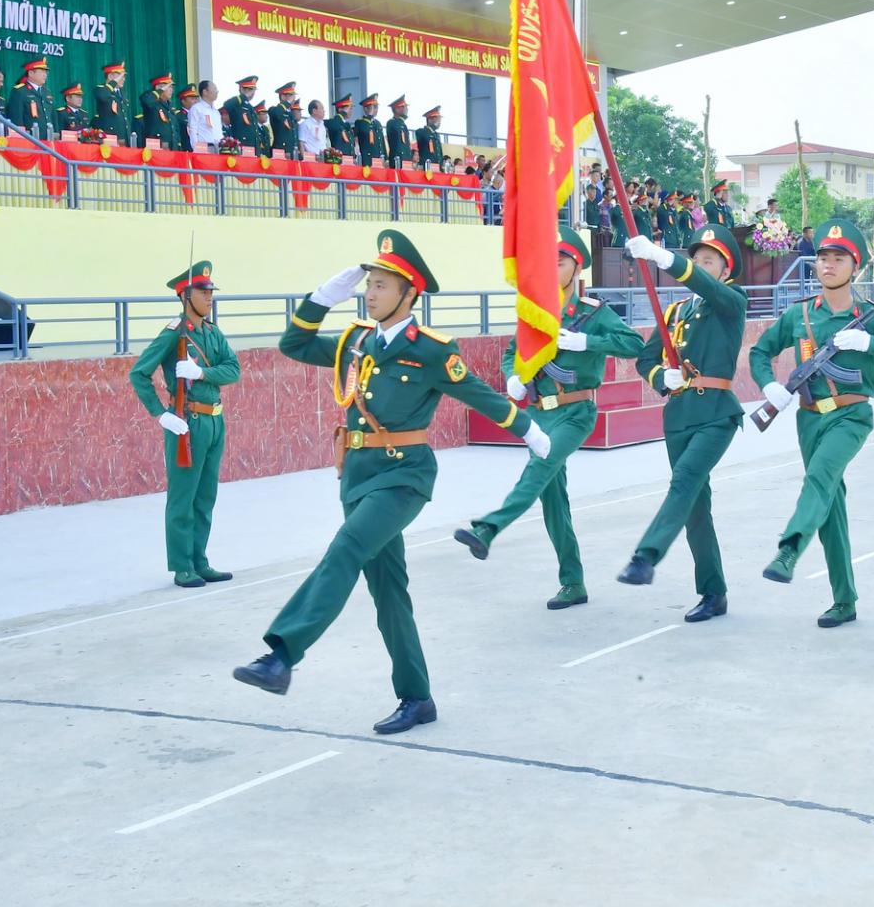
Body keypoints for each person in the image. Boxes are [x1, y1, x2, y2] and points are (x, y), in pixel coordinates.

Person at [232, 230, 550, 734]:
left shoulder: (430, 351)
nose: (371, 292)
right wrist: (321, 299)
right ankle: (417, 698)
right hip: (356, 475)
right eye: (370, 283)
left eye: (382, 285)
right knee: (389, 592)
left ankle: (282, 655)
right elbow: (292, 344)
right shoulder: (356, 340)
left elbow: (477, 393)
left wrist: (527, 428)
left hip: (404, 476)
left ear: (410, 294)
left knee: (345, 549)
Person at [454, 225, 644, 608]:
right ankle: (573, 583)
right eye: (546, 263)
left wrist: (588, 341)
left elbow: (635, 344)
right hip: (540, 414)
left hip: (575, 411)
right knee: (554, 503)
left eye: (558, 263)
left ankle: (489, 528)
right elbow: (513, 350)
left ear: (576, 269)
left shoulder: (593, 314)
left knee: (539, 470)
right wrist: (512, 377)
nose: (550, 269)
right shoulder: (535, 313)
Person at [751, 219, 874, 627]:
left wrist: (871, 343)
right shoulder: (799, 315)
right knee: (830, 510)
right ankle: (844, 600)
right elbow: (760, 350)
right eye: (823, 258)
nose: (828, 265)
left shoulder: (868, 316)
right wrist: (769, 385)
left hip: (851, 416)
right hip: (809, 419)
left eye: (838, 259)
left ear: (855, 266)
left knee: (819, 477)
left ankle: (789, 549)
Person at [615, 225, 748, 619]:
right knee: (695, 508)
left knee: (684, 481)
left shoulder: (731, 300)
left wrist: (663, 258)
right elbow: (645, 358)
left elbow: (706, 288)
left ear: (725, 272)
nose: (702, 267)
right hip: (678, 416)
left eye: (710, 262)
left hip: (716, 414)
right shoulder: (674, 312)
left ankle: (646, 556)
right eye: (697, 259)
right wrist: (660, 377)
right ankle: (714, 592)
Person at [129, 259, 241, 587]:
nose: (210, 297)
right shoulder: (173, 334)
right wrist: (160, 414)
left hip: (214, 422)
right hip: (186, 423)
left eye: (210, 291)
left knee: (205, 497)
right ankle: (182, 566)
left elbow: (234, 369)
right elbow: (139, 373)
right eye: (202, 291)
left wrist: (202, 372)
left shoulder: (212, 333)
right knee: (183, 499)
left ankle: (200, 560)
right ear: (185, 296)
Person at [5, 57, 55, 141]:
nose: (45, 75)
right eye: (42, 71)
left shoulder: (47, 92)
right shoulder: (19, 91)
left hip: (49, 140)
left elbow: (52, 116)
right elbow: (17, 120)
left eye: (46, 72)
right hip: (30, 140)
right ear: (31, 73)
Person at [93, 61, 133, 146]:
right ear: (110, 76)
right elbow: (102, 96)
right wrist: (114, 83)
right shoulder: (101, 89)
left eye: (124, 76)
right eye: (120, 76)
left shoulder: (122, 93)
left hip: (124, 139)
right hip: (109, 138)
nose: (123, 78)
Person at [221, 76, 265, 150]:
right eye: (250, 89)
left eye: (253, 90)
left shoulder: (250, 107)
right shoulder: (237, 105)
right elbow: (226, 105)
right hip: (241, 147)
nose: (253, 93)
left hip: (252, 148)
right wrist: (243, 96)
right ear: (241, 89)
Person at [137, 74, 178, 148]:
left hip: (171, 148)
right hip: (156, 146)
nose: (171, 90)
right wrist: (159, 91)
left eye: (172, 87)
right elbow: (146, 100)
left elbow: (174, 129)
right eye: (168, 87)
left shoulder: (170, 106)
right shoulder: (152, 102)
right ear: (158, 87)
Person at [266, 82, 302, 157]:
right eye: (291, 95)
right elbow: (276, 113)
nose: (293, 99)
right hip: (280, 153)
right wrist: (288, 102)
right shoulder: (274, 110)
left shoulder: (291, 115)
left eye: (293, 96)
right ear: (282, 96)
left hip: (292, 154)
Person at [353, 93, 387, 165]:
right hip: (367, 160)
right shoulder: (360, 122)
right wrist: (370, 114)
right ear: (365, 108)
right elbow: (356, 140)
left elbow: (382, 143)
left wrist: (386, 158)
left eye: (376, 107)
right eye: (374, 107)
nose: (376, 109)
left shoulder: (377, 123)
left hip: (379, 160)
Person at [187, 81, 222, 151]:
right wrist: (197, 149)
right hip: (204, 148)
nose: (217, 91)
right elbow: (193, 131)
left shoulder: (216, 112)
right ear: (205, 92)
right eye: (214, 89)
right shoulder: (196, 109)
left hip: (218, 148)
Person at [386, 96, 415, 167]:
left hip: (406, 161)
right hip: (397, 161)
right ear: (397, 109)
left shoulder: (403, 124)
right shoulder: (392, 123)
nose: (407, 109)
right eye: (404, 107)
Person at [415, 105, 445, 169]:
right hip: (427, 167)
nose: (439, 122)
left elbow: (439, 152)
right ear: (429, 119)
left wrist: (441, 164)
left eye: (439, 119)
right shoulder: (422, 132)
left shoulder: (436, 135)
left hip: (437, 167)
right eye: (437, 119)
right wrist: (429, 131)